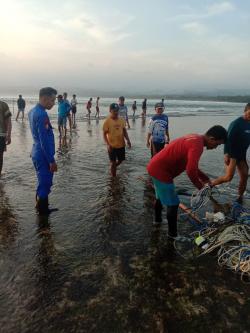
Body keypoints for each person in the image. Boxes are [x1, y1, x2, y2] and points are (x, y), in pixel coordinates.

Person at [147, 125, 227, 236]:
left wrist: (205, 178)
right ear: (212, 139)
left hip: (155, 166)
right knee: (173, 204)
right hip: (161, 171)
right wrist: (201, 188)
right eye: (217, 144)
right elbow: (190, 170)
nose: (216, 147)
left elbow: (191, 165)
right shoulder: (197, 146)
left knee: (159, 197)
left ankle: (157, 221)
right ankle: (172, 235)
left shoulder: (195, 138)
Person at [211, 103, 250, 203]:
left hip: (242, 154)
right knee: (228, 177)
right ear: (245, 111)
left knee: (245, 175)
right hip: (232, 154)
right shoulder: (236, 123)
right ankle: (209, 185)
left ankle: (240, 197)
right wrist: (226, 153)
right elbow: (228, 139)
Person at [28, 87, 58, 215]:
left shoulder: (32, 111)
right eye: (52, 100)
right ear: (44, 99)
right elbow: (43, 140)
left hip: (36, 151)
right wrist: (51, 160)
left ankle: (39, 207)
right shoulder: (42, 114)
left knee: (42, 181)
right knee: (46, 183)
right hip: (43, 154)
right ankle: (43, 214)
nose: (53, 103)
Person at [103, 103, 131, 177]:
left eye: (117, 111)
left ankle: (113, 167)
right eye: (114, 111)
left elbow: (124, 131)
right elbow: (104, 134)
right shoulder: (107, 121)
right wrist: (108, 144)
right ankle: (113, 178)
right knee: (113, 162)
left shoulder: (121, 120)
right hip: (112, 146)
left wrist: (128, 140)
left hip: (121, 144)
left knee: (121, 160)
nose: (116, 112)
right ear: (110, 111)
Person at [0, 100, 12, 175]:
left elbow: (8, 121)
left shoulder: (3, 105)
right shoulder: (3, 104)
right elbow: (8, 121)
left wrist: (8, 134)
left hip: (1, 135)